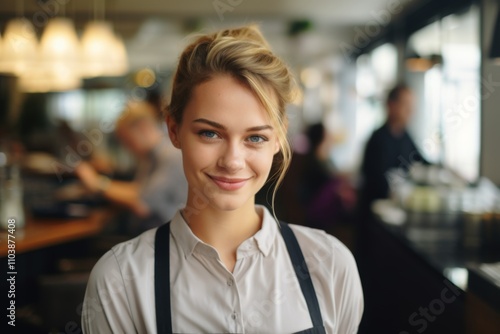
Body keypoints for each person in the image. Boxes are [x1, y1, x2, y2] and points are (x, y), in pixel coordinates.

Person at [81, 25, 363, 333]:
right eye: (210, 133)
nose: (232, 161)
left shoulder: (331, 265)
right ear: (173, 130)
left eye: (255, 138)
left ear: (278, 138)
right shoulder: (120, 281)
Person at [75, 101, 187, 233]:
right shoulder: (150, 157)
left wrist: (96, 183)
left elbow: (142, 204)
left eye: (128, 141)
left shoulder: (171, 156)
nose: (128, 148)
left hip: (166, 242)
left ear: (143, 127)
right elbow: (138, 190)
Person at [359, 84, 427, 216]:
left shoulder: (405, 136)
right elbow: (376, 182)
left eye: (411, 106)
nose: (410, 111)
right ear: (391, 105)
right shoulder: (378, 139)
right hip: (375, 216)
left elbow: (422, 161)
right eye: (405, 105)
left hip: (396, 211)